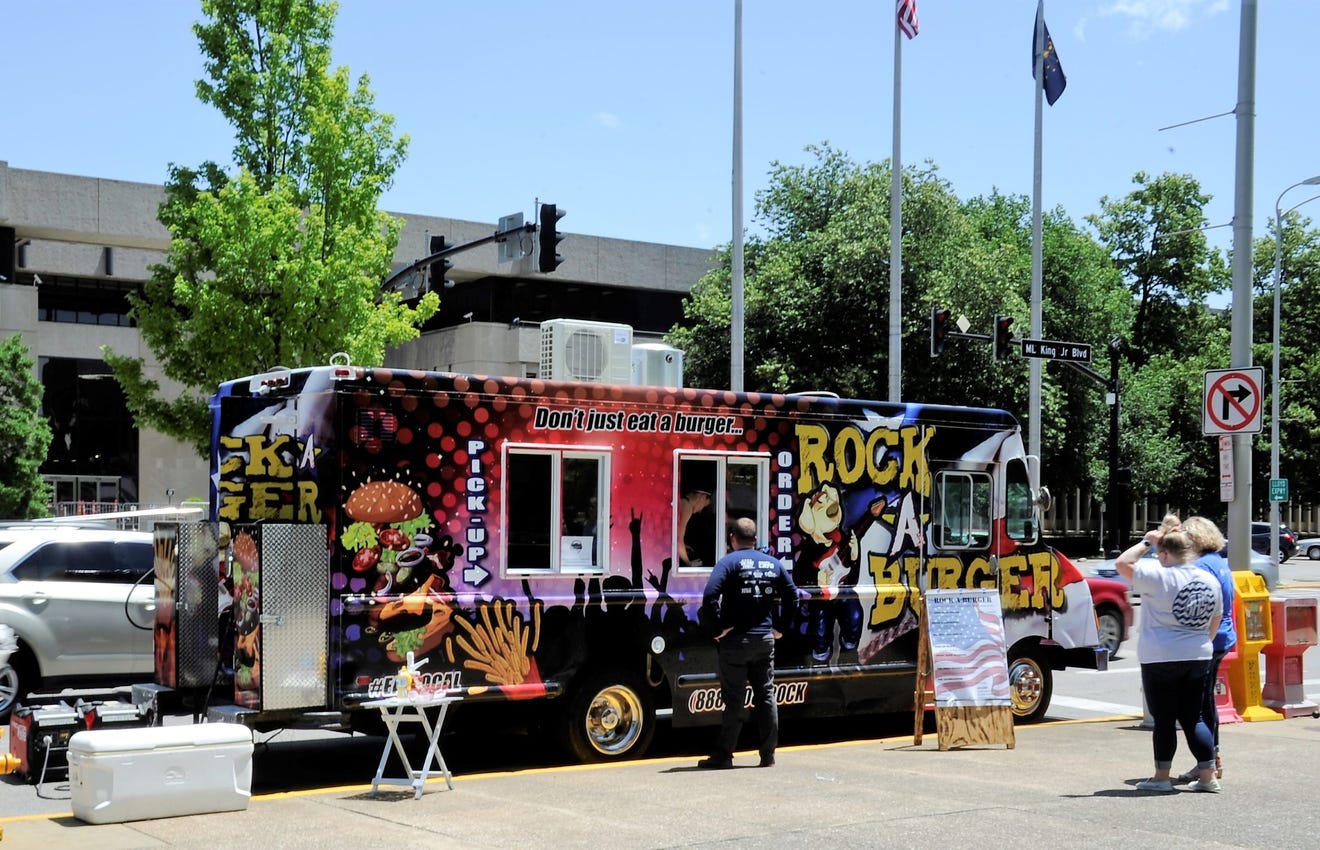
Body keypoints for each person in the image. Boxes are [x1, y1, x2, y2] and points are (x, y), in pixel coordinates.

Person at [1115, 515, 1223, 793]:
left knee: (1164, 719)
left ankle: (1162, 777)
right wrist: (1199, 643)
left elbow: (1122, 564)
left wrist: (1145, 542)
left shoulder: (1157, 574)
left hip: (1160, 655)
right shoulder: (1208, 579)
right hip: (1198, 653)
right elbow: (1215, 619)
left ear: (1164, 553)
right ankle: (1208, 777)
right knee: (1195, 717)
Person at [697, 517, 798, 769]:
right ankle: (768, 755)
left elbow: (710, 596)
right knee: (765, 695)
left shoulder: (728, 563)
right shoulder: (773, 564)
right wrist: (780, 629)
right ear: (755, 539)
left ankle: (724, 756)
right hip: (764, 640)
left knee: (734, 699)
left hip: (735, 642)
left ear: (732, 538)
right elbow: (792, 596)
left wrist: (717, 629)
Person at [1172, 516, 1235, 784]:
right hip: (1223, 637)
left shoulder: (1200, 566)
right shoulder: (1219, 562)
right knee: (1206, 701)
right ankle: (1211, 757)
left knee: (1196, 706)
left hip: (1207, 639)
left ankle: (1207, 761)